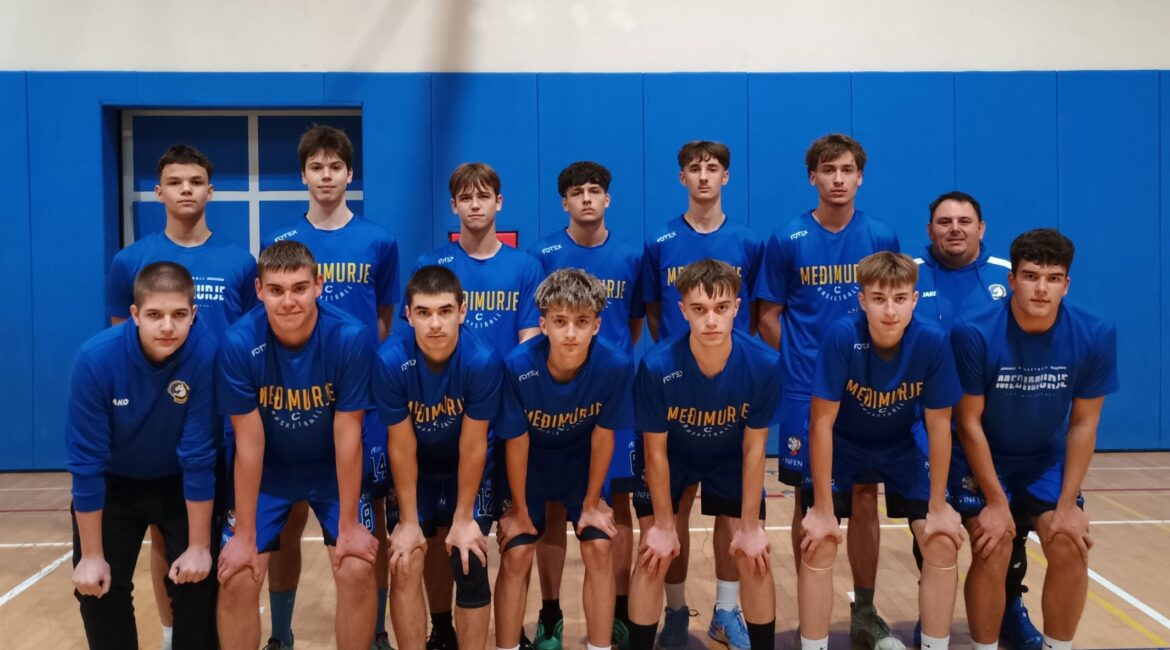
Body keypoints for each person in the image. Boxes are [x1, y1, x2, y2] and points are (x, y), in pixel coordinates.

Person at [104, 144, 257, 649]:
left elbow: (249, 338)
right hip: (158, 424)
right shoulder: (130, 260)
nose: (186, 190)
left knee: (213, 537)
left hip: (222, 420)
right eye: (175, 182)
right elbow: (122, 343)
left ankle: (209, 634)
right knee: (163, 535)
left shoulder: (239, 260)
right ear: (158, 192)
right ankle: (173, 636)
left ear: (211, 191)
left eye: (195, 181)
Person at [755, 133, 902, 649]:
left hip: (867, 388)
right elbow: (768, 316)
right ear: (812, 177)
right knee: (810, 499)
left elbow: (893, 308)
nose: (837, 179)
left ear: (860, 177)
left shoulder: (880, 235)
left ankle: (865, 609)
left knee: (864, 496)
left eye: (846, 170)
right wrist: (812, 362)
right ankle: (810, 614)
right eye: (828, 170)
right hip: (804, 390)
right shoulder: (787, 238)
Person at [261, 124, 401, 650]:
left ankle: (377, 631)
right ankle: (280, 635)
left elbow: (383, 318)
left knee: (372, 517)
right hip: (296, 397)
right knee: (288, 520)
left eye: (335, 167)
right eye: (316, 167)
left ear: (349, 174)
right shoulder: (280, 242)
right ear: (303, 175)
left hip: (360, 398)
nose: (326, 176)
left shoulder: (379, 240)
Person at [950, 228, 1117, 650]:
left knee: (1070, 544)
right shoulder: (973, 331)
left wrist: (1068, 504)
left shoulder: (1095, 332)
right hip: (983, 457)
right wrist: (996, 503)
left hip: (1044, 459)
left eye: (1053, 278)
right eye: (1030, 276)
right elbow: (968, 423)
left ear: (1066, 284)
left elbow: (1084, 424)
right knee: (993, 544)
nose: (1041, 288)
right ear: (1012, 280)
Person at [406, 162, 544, 650]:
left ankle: (511, 629)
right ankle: (442, 627)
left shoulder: (525, 266)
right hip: (445, 417)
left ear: (499, 203)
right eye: (466, 197)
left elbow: (530, 344)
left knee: (513, 536)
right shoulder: (433, 264)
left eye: (484, 196)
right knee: (442, 534)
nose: (475, 205)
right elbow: (418, 339)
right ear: (454, 206)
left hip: (505, 420)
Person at [798, 252, 966, 650]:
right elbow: (821, 423)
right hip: (843, 443)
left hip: (900, 444)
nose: (890, 310)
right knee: (820, 542)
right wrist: (822, 508)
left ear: (915, 300)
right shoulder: (842, 336)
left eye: (900, 298)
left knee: (942, 540)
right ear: (862, 300)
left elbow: (939, 425)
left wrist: (939, 504)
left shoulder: (931, 340)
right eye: (878, 299)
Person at [216, 241, 379, 650]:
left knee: (357, 566)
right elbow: (249, 444)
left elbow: (348, 433)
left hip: (330, 471)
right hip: (269, 472)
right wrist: (244, 536)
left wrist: (348, 527)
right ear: (259, 290)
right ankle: (280, 636)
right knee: (237, 575)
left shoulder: (350, 337)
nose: (288, 301)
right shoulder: (238, 343)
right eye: (276, 290)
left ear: (318, 285)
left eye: (299, 288)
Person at [637, 141, 764, 649]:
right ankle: (674, 612)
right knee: (675, 509)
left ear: (726, 177)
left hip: (729, 391)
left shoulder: (748, 241)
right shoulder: (660, 239)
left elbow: (756, 311)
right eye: (695, 168)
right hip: (678, 391)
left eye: (713, 169)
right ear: (682, 178)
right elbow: (652, 311)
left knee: (731, 511)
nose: (704, 176)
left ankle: (727, 611)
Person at [626, 259, 779, 650]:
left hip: (730, 454)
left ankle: (729, 616)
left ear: (737, 307)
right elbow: (655, 452)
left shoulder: (763, 364)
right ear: (682, 310)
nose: (711, 320)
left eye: (721, 308)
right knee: (652, 553)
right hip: (673, 455)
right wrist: (664, 526)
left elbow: (755, 448)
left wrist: (750, 527)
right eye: (699, 309)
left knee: (755, 554)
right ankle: (673, 613)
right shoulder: (657, 366)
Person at [68, 261, 218, 649]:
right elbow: (87, 462)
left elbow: (199, 454)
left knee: (199, 583)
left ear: (193, 314)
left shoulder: (206, 354)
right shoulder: (96, 359)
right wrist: (91, 556)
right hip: (114, 483)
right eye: (154, 315)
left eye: (179, 315)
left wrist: (199, 548)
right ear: (134, 314)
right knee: (97, 587)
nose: (167, 327)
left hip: (179, 481)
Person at [913, 191, 1039, 649]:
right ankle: (933, 611)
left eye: (964, 221)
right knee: (934, 524)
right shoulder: (909, 275)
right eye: (944, 221)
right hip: (926, 421)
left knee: (1004, 523)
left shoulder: (1010, 276)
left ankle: (1009, 606)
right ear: (930, 229)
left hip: (993, 423)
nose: (955, 229)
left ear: (981, 228)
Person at [528, 161, 644, 649]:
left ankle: (617, 609)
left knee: (616, 505)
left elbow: (634, 325)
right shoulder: (543, 254)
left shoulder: (632, 256)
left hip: (612, 395)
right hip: (557, 398)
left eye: (596, 191)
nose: (587, 199)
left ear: (608, 199)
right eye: (577, 193)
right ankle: (550, 612)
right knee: (554, 508)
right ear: (565, 203)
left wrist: (606, 368)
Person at [494, 269, 634, 650]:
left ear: (596, 325)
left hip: (579, 464)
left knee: (600, 546)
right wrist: (519, 509)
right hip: (530, 465)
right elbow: (516, 442)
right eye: (560, 322)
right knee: (516, 550)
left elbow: (604, 437)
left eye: (581, 322)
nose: (570, 333)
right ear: (543, 325)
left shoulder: (615, 365)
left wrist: (591, 503)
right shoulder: (518, 366)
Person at [373, 265, 503, 650]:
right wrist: (408, 522)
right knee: (406, 558)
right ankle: (441, 631)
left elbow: (473, 445)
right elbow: (401, 445)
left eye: (445, 311)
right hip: (417, 470)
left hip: (467, 467)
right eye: (424, 313)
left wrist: (463, 519)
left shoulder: (482, 359)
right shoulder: (390, 360)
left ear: (462, 312)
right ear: (408, 315)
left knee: (470, 557)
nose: (435, 324)